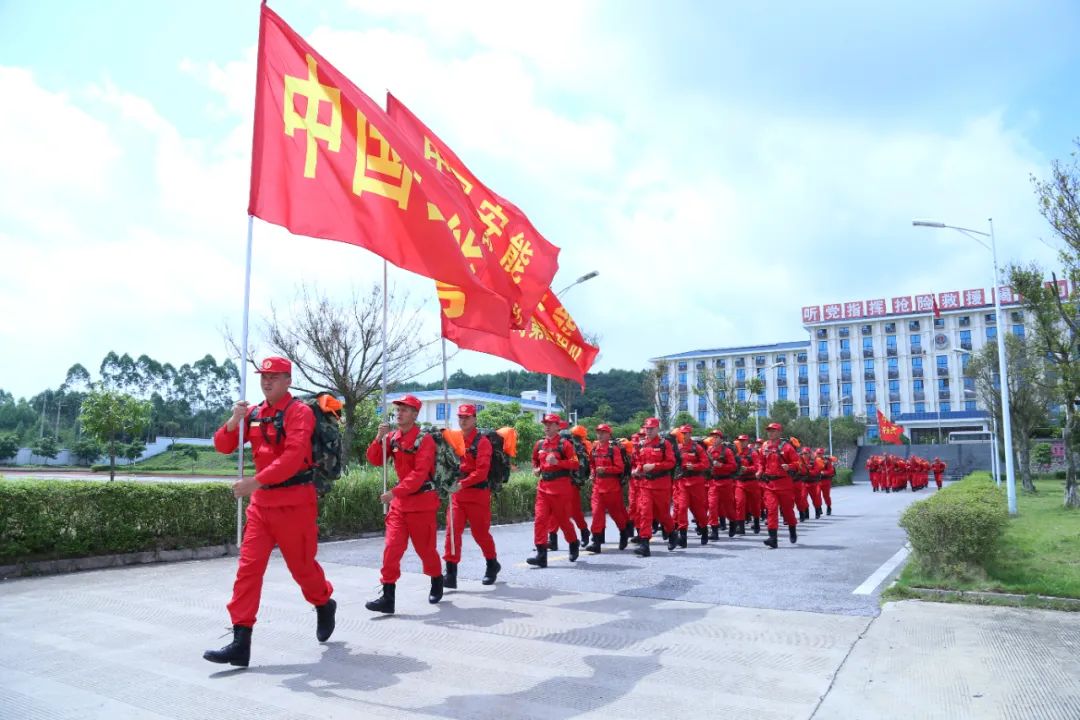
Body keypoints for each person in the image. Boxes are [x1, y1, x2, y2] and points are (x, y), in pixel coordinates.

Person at [203, 356, 335, 668]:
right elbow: (223, 446)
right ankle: (240, 641)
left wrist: (255, 482)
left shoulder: (299, 413)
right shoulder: (254, 413)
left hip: (295, 503)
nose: (267, 381)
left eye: (274, 376)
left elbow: (292, 458)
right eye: (264, 376)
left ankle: (324, 602)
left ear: (288, 380)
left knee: (302, 568)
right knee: (248, 570)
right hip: (261, 506)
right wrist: (234, 422)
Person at [364, 394, 444, 614]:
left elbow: (419, 474)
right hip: (400, 505)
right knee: (391, 548)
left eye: (405, 410)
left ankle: (437, 579)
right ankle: (388, 597)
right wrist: (378, 438)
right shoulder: (392, 437)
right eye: (398, 409)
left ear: (415, 414)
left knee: (425, 550)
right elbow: (374, 460)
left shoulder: (424, 439)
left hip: (422, 503)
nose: (399, 413)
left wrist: (394, 492)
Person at [442, 404, 500, 590]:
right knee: (452, 533)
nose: (463, 420)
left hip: (477, 495)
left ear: (474, 419)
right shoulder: (454, 439)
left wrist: (462, 483)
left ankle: (492, 564)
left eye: (467, 417)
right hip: (458, 495)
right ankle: (450, 574)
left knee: (480, 533)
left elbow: (482, 472)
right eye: (460, 417)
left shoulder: (482, 442)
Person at [528, 414, 581, 568]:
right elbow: (534, 460)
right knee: (540, 519)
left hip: (561, 488)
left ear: (558, 427)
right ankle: (541, 554)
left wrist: (558, 462)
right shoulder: (539, 444)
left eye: (551, 424)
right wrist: (536, 469)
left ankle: (573, 543)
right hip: (543, 487)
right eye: (545, 424)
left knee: (563, 521)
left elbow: (575, 464)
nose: (547, 426)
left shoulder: (565, 444)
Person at [631, 417, 678, 557]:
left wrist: (655, 466)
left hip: (661, 485)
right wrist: (637, 470)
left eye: (651, 428)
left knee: (662, 514)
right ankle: (644, 544)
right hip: (646, 485)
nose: (649, 431)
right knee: (645, 513)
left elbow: (671, 463)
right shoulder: (640, 445)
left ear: (657, 429)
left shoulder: (665, 444)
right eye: (647, 428)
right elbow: (639, 462)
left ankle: (672, 532)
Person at [586, 423, 633, 553]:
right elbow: (592, 464)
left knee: (616, 514)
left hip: (612, 487)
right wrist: (593, 472)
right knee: (596, 514)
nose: (600, 435)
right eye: (598, 432)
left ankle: (623, 532)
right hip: (598, 487)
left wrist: (605, 469)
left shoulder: (614, 450)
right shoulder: (594, 449)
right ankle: (596, 542)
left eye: (603, 432)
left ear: (608, 434)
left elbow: (620, 468)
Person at [758, 422, 800, 548]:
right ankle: (773, 538)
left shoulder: (787, 447)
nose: (771, 433)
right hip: (770, 484)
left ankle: (792, 530)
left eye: (773, 431)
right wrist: (759, 471)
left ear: (779, 432)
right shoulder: (764, 446)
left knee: (787, 511)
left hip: (784, 483)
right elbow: (761, 462)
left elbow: (798, 463)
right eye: (769, 431)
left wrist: (790, 466)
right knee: (771, 510)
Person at [706, 429, 738, 540]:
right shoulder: (709, 450)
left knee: (728, 507)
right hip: (713, 482)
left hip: (726, 482)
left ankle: (733, 522)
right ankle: (714, 531)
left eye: (716, 437)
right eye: (713, 437)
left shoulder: (727, 451)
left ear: (721, 439)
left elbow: (733, 467)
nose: (714, 439)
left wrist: (721, 466)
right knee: (712, 505)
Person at [732, 434, 762, 536]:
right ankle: (741, 528)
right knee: (739, 503)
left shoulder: (752, 453)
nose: (741, 442)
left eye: (743, 441)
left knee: (754, 505)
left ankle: (757, 523)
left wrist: (747, 469)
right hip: (740, 482)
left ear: (747, 441)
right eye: (740, 441)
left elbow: (758, 467)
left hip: (752, 481)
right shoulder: (737, 454)